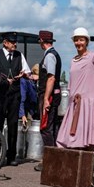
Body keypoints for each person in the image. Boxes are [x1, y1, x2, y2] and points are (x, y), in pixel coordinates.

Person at [55, 27, 94, 150]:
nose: (78, 43)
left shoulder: (91, 57)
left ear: (86, 42)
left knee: (90, 139)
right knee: (71, 139)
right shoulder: (73, 60)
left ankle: (87, 166)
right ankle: (78, 165)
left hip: (89, 103)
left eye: (81, 40)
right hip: (76, 103)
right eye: (76, 40)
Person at [0, 32, 30, 166]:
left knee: (13, 125)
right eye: (12, 42)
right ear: (5, 43)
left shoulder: (19, 55)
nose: (15, 44)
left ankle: (11, 156)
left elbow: (27, 71)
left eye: (16, 42)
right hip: (1, 95)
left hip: (14, 94)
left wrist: (24, 74)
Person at [33, 30, 61, 172]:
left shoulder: (50, 56)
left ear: (41, 42)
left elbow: (51, 78)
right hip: (51, 93)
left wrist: (45, 99)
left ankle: (50, 162)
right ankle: (53, 159)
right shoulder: (52, 54)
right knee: (51, 127)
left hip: (48, 95)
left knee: (46, 128)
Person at [19, 64, 39, 128]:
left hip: (31, 110)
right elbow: (22, 98)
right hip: (25, 110)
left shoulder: (33, 82)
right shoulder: (25, 81)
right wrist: (22, 114)